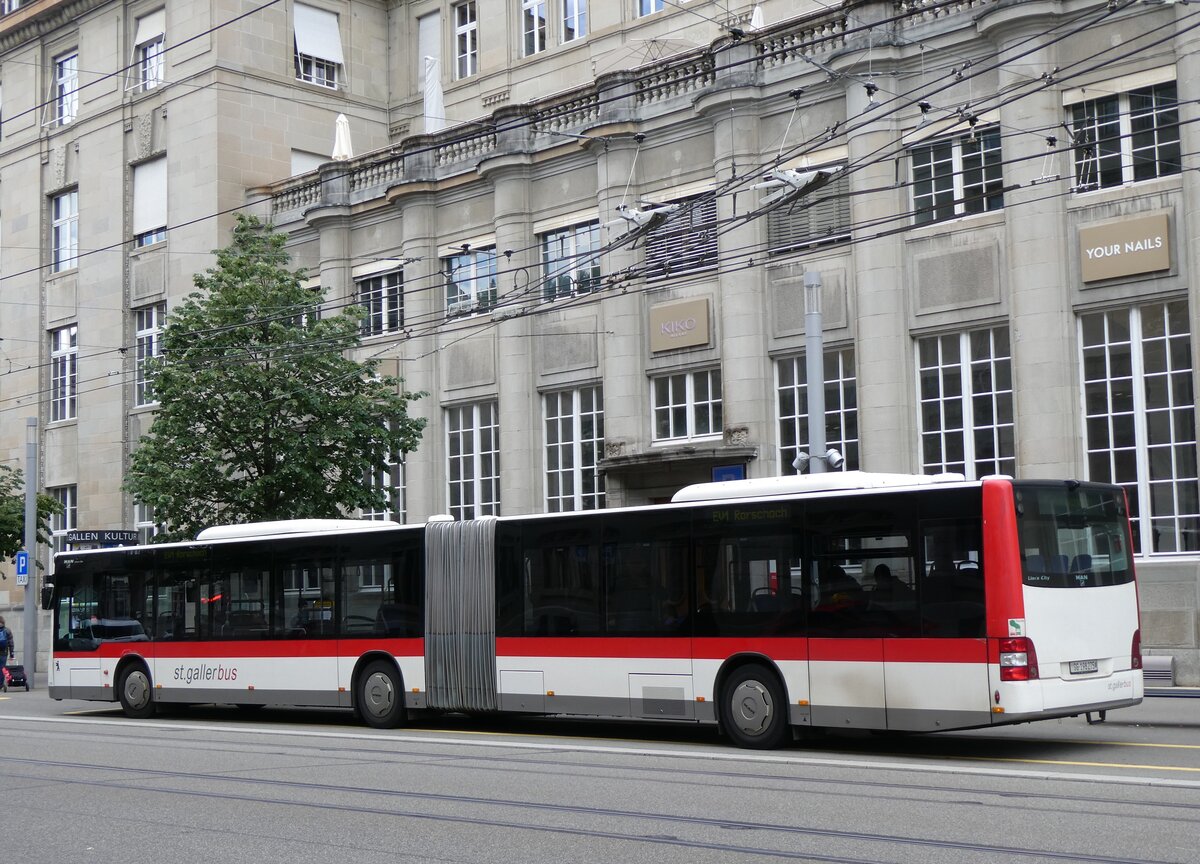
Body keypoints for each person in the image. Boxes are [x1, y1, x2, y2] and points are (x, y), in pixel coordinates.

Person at [0, 616, 13, 693]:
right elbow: (11, 643)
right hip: (3, 653)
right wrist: (12, 654)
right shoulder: (7, 630)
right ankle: (1, 684)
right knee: (2, 669)